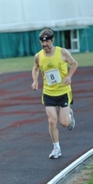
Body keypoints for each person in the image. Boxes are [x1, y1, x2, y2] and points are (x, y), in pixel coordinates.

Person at [31, 28, 78, 159]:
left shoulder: (62, 52)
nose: (45, 45)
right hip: (49, 93)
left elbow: (74, 63)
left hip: (63, 91)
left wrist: (69, 76)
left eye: (47, 42)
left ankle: (69, 116)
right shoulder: (38, 56)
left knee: (63, 123)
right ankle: (56, 148)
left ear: (52, 40)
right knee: (52, 120)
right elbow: (35, 69)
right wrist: (35, 81)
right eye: (42, 43)